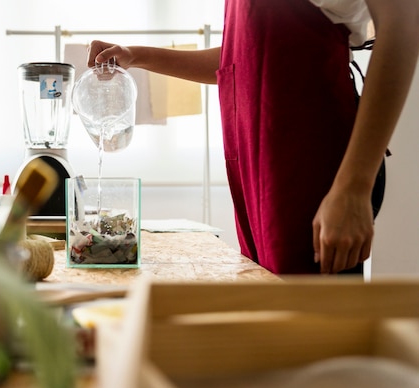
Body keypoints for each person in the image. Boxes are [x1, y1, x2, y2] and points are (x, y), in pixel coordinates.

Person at [86, 0, 419, 275]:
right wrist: (136, 55)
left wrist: (354, 188)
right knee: (276, 312)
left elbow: (403, 27)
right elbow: (240, 58)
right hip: (260, 170)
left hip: (314, 163)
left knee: (317, 330)